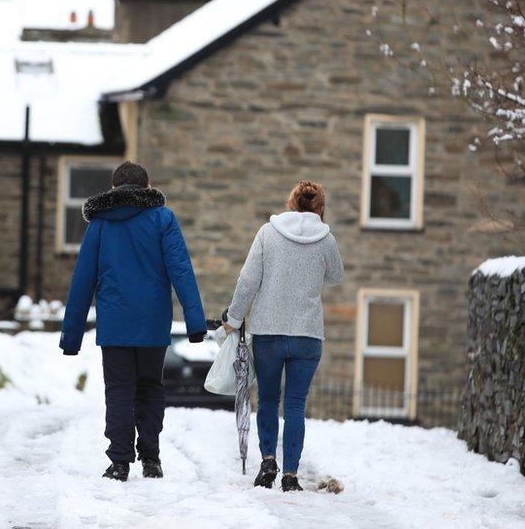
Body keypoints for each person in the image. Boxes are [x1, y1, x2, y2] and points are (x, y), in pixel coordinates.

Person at [60, 161, 206, 482]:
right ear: (148, 187)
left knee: (119, 389)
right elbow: (181, 270)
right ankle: (151, 458)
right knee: (151, 386)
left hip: (115, 324)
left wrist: (71, 335)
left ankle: (120, 462)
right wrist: (195, 322)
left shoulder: (99, 224)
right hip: (153, 323)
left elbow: (82, 280)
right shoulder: (163, 220)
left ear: (114, 188)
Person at [223, 181, 344, 492]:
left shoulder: (268, 232)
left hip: (268, 332)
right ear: (320, 208)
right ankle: (290, 475)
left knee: (267, 399)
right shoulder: (325, 237)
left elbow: (248, 279)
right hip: (307, 335)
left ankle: (267, 461)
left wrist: (234, 318)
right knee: (295, 405)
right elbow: (336, 275)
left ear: (291, 203)